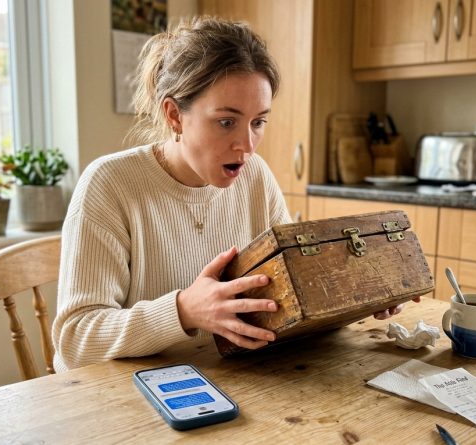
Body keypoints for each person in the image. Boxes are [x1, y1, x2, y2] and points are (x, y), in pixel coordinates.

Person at [52, 17, 413, 371]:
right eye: (226, 122)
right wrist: (184, 310)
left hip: (236, 381)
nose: (247, 146)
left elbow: (291, 292)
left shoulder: (255, 176)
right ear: (174, 115)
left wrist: (357, 295)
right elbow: (74, 341)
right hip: (137, 399)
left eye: (258, 122)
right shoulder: (110, 184)